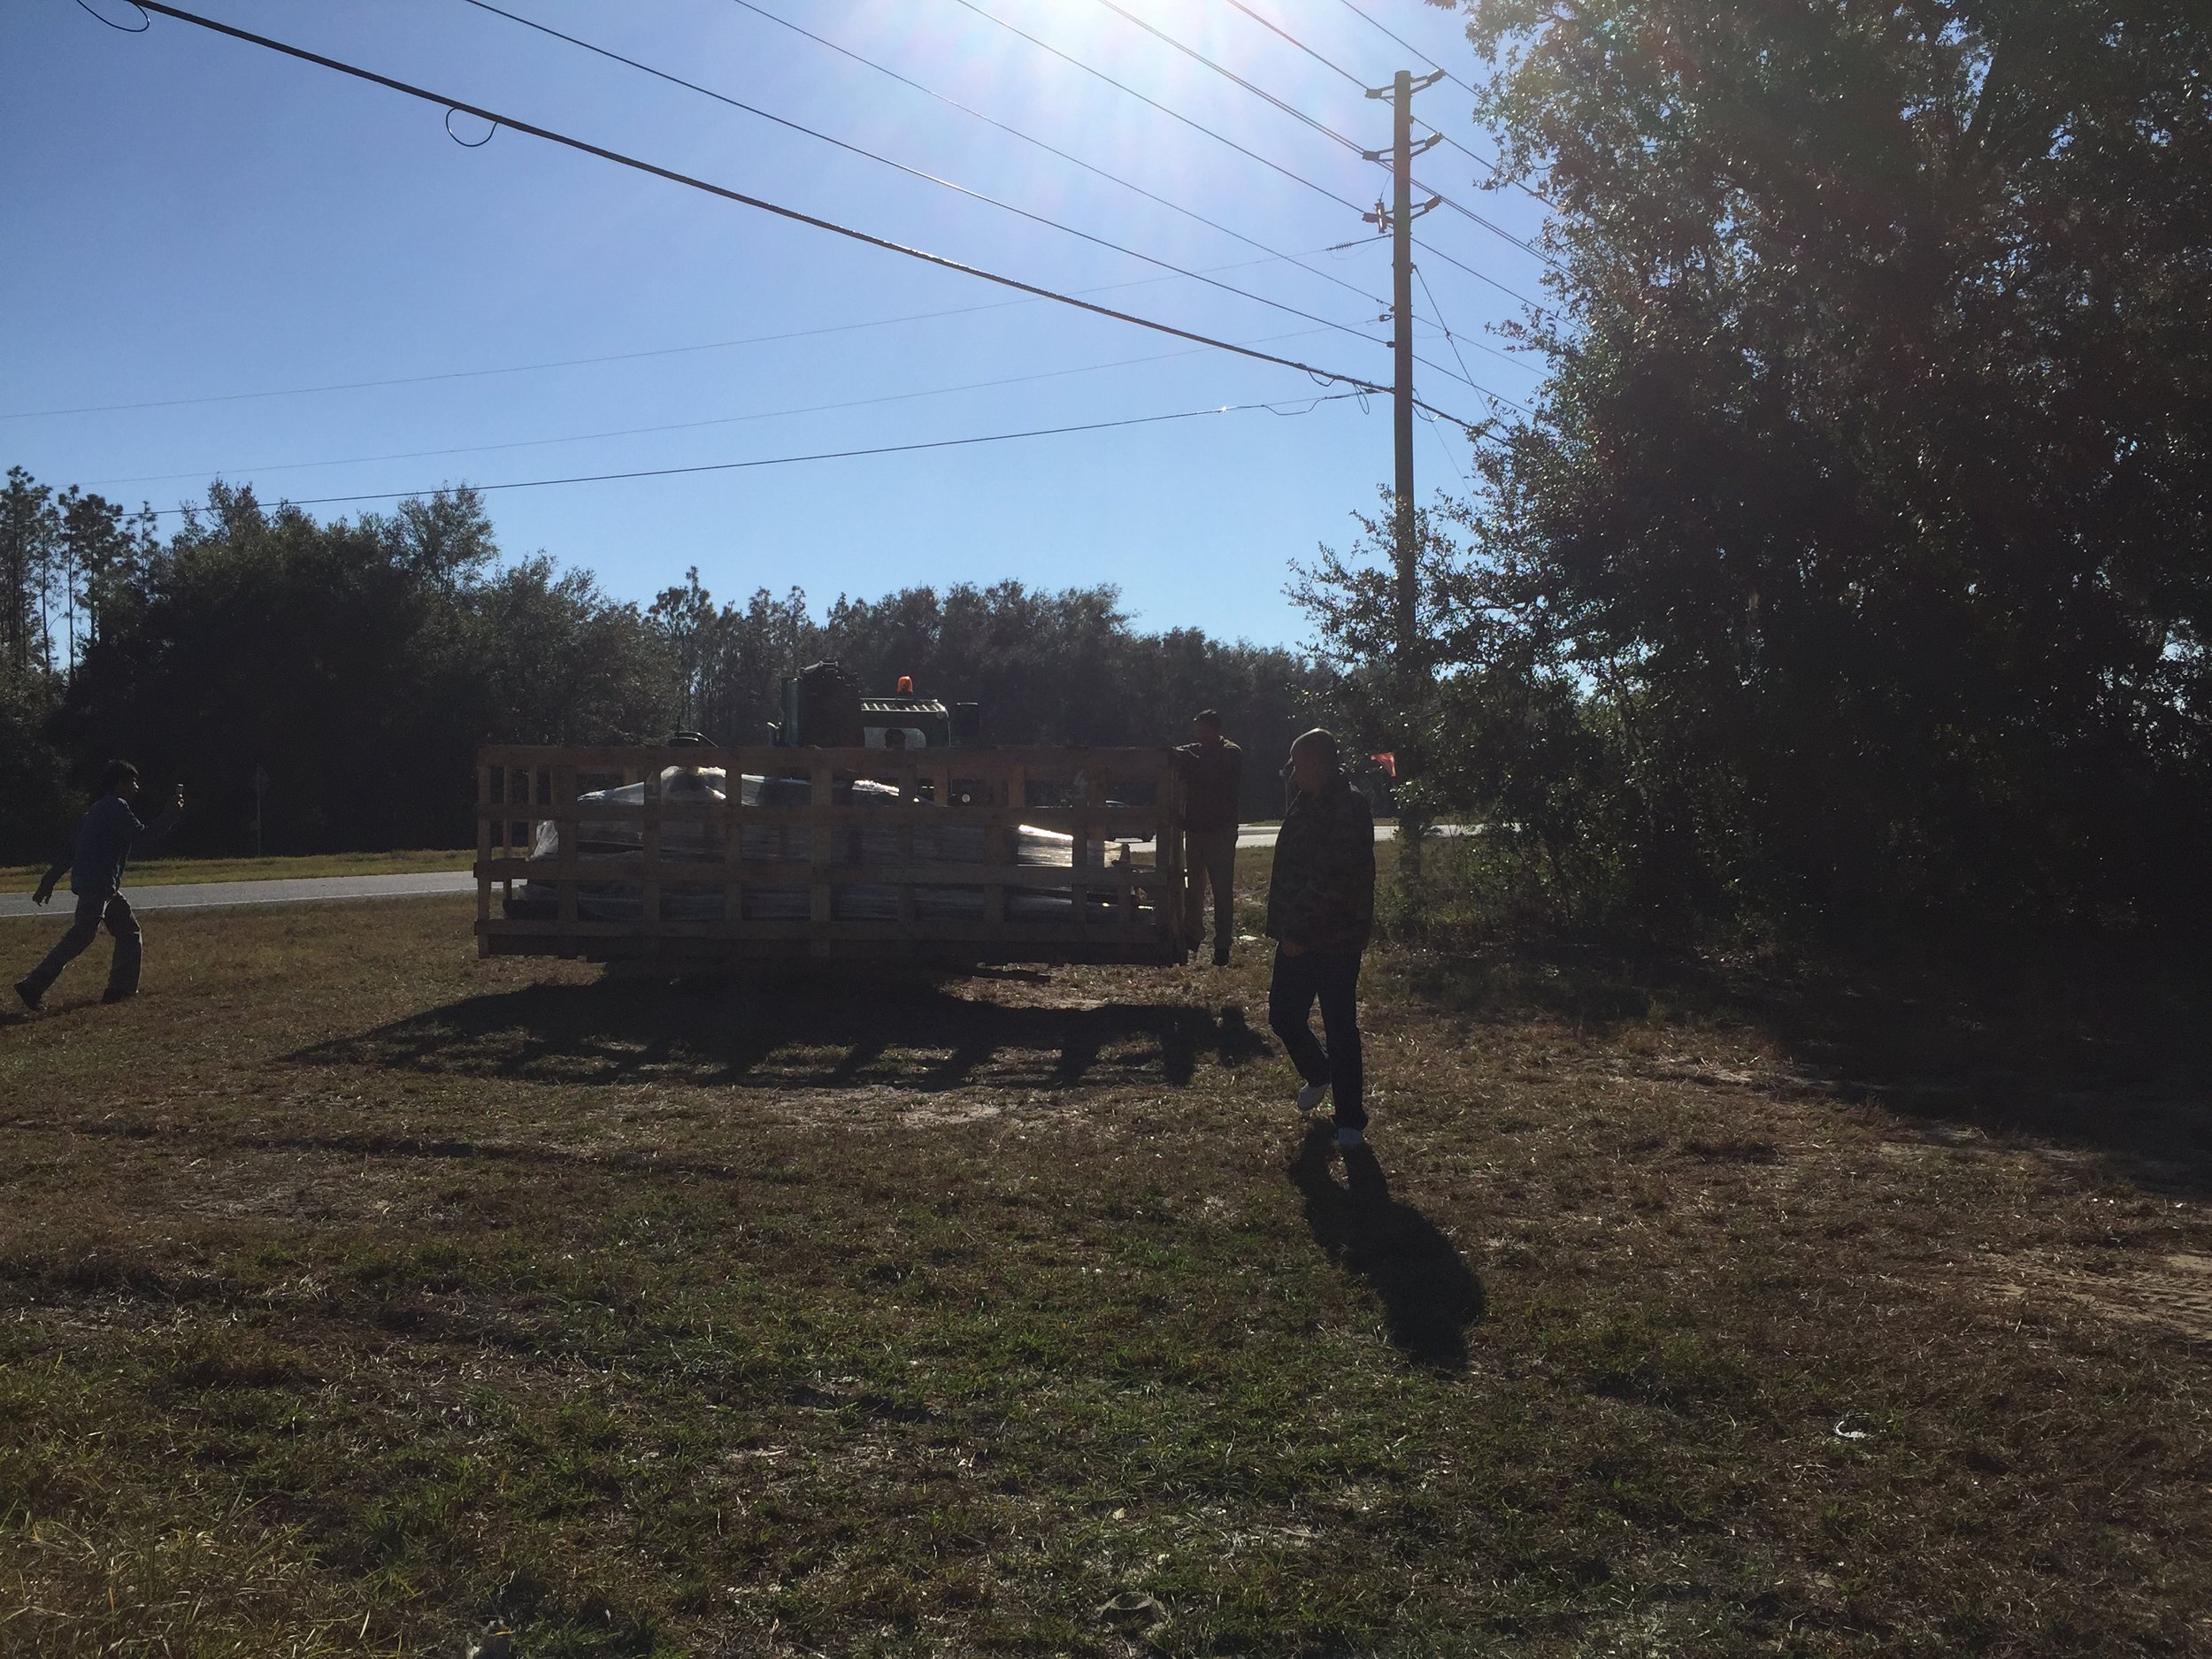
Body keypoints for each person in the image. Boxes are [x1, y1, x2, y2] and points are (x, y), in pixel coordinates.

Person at [1264, 728, 1376, 1148]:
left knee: (1339, 1026)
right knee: (1283, 1016)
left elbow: (1333, 879)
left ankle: (1350, 1120)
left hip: (1335, 938)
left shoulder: (1348, 806)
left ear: (1317, 764)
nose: (1292, 774)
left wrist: (1298, 931)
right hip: (1299, 932)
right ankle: (1318, 1071)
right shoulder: (1306, 800)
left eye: (1297, 765)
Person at [16, 761, 184, 1012]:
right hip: (100, 883)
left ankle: (120, 990)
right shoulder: (117, 806)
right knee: (82, 934)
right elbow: (143, 839)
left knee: (128, 931)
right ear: (120, 784)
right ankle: (33, 985)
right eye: (133, 782)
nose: (136, 787)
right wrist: (170, 814)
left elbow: (71, 849)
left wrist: (49, 880)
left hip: (101, 884)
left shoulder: (96, 809)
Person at [1174, 709, 1243, 965]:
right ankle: (1192, 936)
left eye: (1203, 730)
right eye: (1197, 730)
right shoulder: (1198, 750)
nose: (1199, 735)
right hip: (1195, 830)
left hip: (1220, 832)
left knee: (1221, 891)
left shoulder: (1231, 752)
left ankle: (1222, 945)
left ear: (1215, 730)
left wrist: (1188, 760)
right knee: (1194, 888)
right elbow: (1179, 752)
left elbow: (1212, 774)